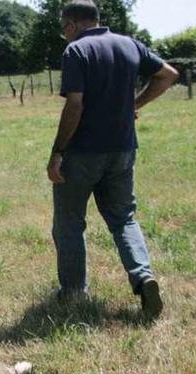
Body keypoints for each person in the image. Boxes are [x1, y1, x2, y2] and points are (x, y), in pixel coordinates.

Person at [47, 0, 178, 319]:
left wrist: (57, 152)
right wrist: (136, 102)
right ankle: (143, 277)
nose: (64, 35)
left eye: (64, 28)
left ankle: (74, 294)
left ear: (74, 24)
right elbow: (168, 75)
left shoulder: (76, 51)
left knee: (69, 224)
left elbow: (75, 105)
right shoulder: (129, 44)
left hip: (83, 153)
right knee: (123, 219)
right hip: (122, 150)